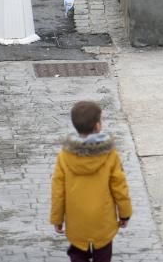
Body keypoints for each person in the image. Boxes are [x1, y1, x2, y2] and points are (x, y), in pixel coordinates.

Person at [50, 101, 132, 262]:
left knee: (77, 252)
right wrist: (125, 213)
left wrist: (57, 218)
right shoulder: (109, 154)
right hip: (103, 220)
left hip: (77, 220)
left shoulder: (65, 156)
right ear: (97, 126)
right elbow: (119, 186)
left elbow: (58, 190)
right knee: (103, 254)